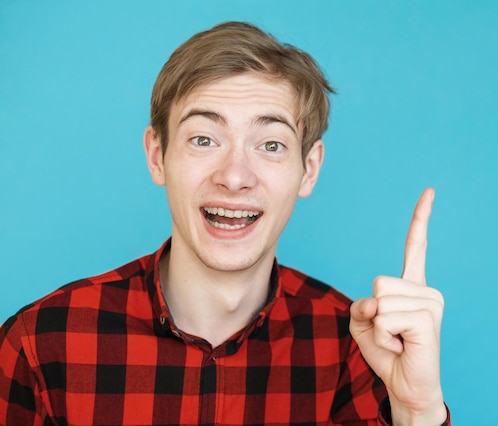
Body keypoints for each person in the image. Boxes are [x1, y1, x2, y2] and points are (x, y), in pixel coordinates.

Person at [0, 21, 449, 425]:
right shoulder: (39, 345)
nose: (234, 177)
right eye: (203, 139)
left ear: (308, 169)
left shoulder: (360, 352)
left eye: (271, 145)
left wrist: (415, 411)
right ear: (157, 156)